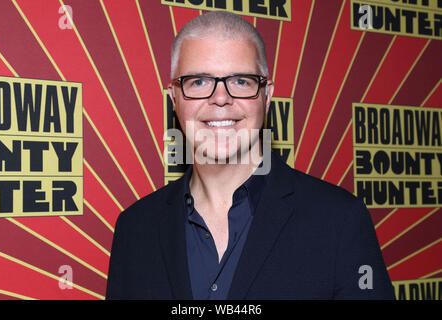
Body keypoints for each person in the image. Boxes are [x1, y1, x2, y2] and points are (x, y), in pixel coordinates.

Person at [106, 11, 395, 300]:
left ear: (266, 96)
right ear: (175, 98)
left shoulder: (339, 220)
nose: (220, 98)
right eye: (199, 82)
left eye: (241, 81)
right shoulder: (135, 229)